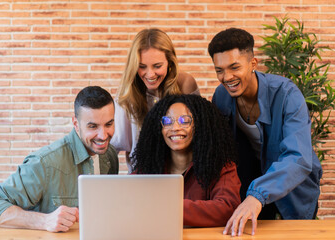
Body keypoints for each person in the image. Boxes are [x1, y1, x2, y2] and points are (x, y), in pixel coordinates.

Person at [208, 28, 322, 236]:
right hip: (249, 182)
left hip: (293, 184)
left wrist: (257, 194)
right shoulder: (221, 97)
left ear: (253, 64)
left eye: (234, 67)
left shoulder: (287, 94)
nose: (227, 77)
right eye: (219, 70)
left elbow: (298, 157)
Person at [0, 86, 119, 232]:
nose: (103, 135)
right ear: (76, 124)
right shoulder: (44, 163)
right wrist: (44, 221)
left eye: (109, 124)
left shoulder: (110, 155)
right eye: (93, 126)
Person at [131, 94, 241, 227]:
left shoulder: (221, 166)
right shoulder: (149, 167)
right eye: (167, 121)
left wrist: (167, 207)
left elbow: (227, 209)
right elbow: (128, 201)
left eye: (185, 120)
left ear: (200, 125)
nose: (175, 128)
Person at [110, 28, 199, 172]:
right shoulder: (127, 92)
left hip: (181, 173)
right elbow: (113, 144)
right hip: (141, 176)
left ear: (170, 62)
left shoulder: (185, 84)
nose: (150, 74)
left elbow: (200, 136)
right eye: (142, 67)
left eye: (157, 66)